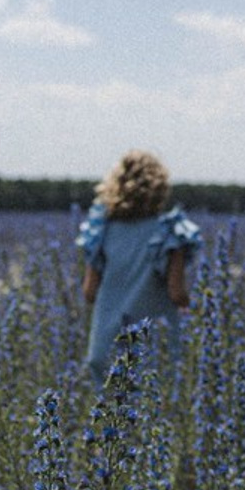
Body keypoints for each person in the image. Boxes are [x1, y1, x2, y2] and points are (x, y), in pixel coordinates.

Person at [77, 149, 201, 388]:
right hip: (154, 348)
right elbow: (177, 293)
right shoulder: (169, 232)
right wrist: (199, 308)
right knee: (156, 412)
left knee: (110, 417)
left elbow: (89, 292)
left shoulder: (101, 231)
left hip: (106, 344)